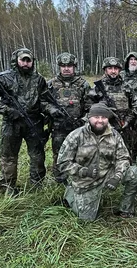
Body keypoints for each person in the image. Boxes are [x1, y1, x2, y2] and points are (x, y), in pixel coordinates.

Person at [56, 102, 137, 221]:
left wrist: (117, 177)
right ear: (89, 117)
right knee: (87, 220)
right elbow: (62, 163)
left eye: (104, 117)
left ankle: (125, 209)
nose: (100, 120)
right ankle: (71, 194)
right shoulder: (76, 136)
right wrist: (84, 171)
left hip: (107, 174)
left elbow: (123, 158)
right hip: (85, 181)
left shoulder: (114, 135)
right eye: (96, 117)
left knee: (135, 172)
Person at [0, 48, 49, 194]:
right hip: (11, 123)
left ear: (32, 62)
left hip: (34, 122)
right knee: (8, 156)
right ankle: (7, 187)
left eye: (28, 60)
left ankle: (37, 185)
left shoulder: (39, 79)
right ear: (16, 60)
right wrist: (8, 110)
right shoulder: (4, 78)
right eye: (22, 60)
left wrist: (49, 112)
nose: (25, 63)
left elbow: (45, 100)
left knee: (37, 155)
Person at [44, 52, 91, 181]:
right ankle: (60, 180)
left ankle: (78, 180)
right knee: (59, 155)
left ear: (74, 67)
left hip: (78, 128)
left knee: (80, 154)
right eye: (63, 66)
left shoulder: (83, 84)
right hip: (58, 128)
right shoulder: (50, 84)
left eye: (69, 65)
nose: (66, 68)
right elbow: (42, 102)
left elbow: (91, 107)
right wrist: (51, 109)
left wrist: (82, 121)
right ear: (59, 67)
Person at [89, 57, 137, 163]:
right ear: (105, 70)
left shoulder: (126, 87)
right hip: (104, 127)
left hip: (124, 125)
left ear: (119, 70)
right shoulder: (98, 87)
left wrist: (128, 120)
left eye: (116, 68)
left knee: (125, 152)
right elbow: (90, 107)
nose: (113, 71)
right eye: (110, 68)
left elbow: (136, 105)